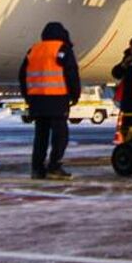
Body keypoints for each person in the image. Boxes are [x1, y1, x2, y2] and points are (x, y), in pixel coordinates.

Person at [18, 21, 82, 179]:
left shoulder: (33, 50)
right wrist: (75, 95)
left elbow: (22, 75)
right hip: (57, 100)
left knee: (41, 136)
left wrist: (29, 97)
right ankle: (54, 166)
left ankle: (37, 169)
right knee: (60, 136)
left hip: (38, 101)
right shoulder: (63, 49)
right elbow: (71, 73)